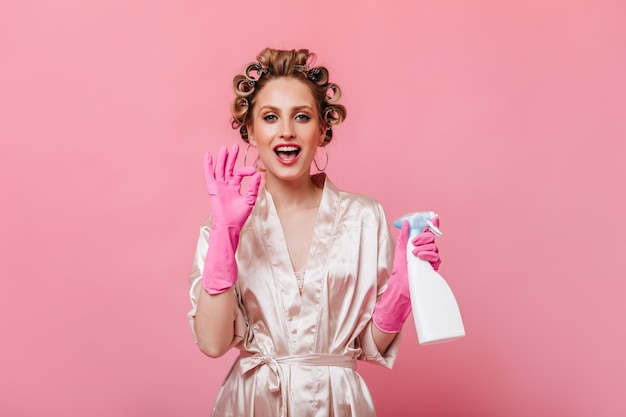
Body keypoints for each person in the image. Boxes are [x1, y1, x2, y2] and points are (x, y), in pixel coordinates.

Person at [187, 48, 442, 417]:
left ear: (322, 130)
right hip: (253, 403)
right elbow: (212, 343)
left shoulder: (363, 217)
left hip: (337, 403)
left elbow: (370, 345)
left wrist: (404, 288)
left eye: (302, 117)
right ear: (251, 131)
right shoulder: (225, 225)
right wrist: (226, 236)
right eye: (270, 117)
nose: (286, 131)